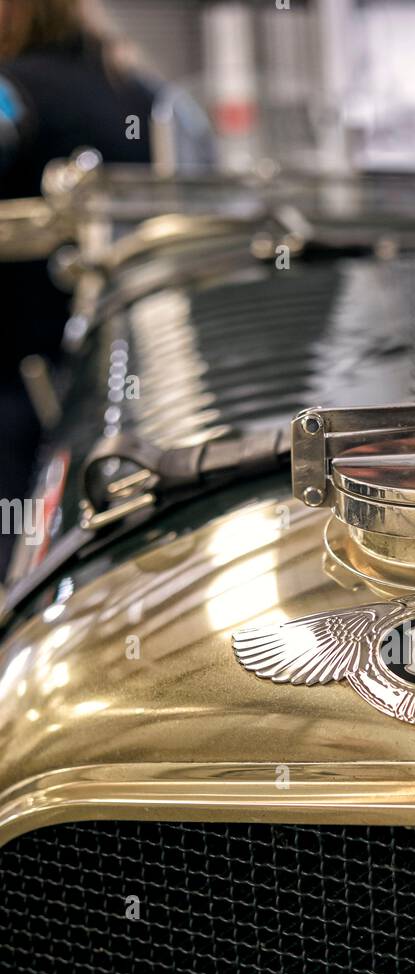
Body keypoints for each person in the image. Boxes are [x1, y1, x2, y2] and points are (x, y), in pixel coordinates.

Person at [0, 0, 207, 578]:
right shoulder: (141, 92)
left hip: (20, 377)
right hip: (134, 371)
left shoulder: (10, 92)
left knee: (17, 548)